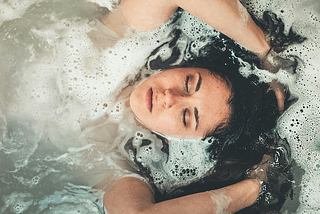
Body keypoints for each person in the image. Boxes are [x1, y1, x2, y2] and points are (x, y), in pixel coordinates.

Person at [85, 0, 305, 213]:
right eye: (189, 83)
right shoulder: (111, 45)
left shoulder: (109, 160)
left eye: (186, 117)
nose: (170, 97)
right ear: (186, 64)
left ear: (179, 143)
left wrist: (255, 187)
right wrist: (266, 52)